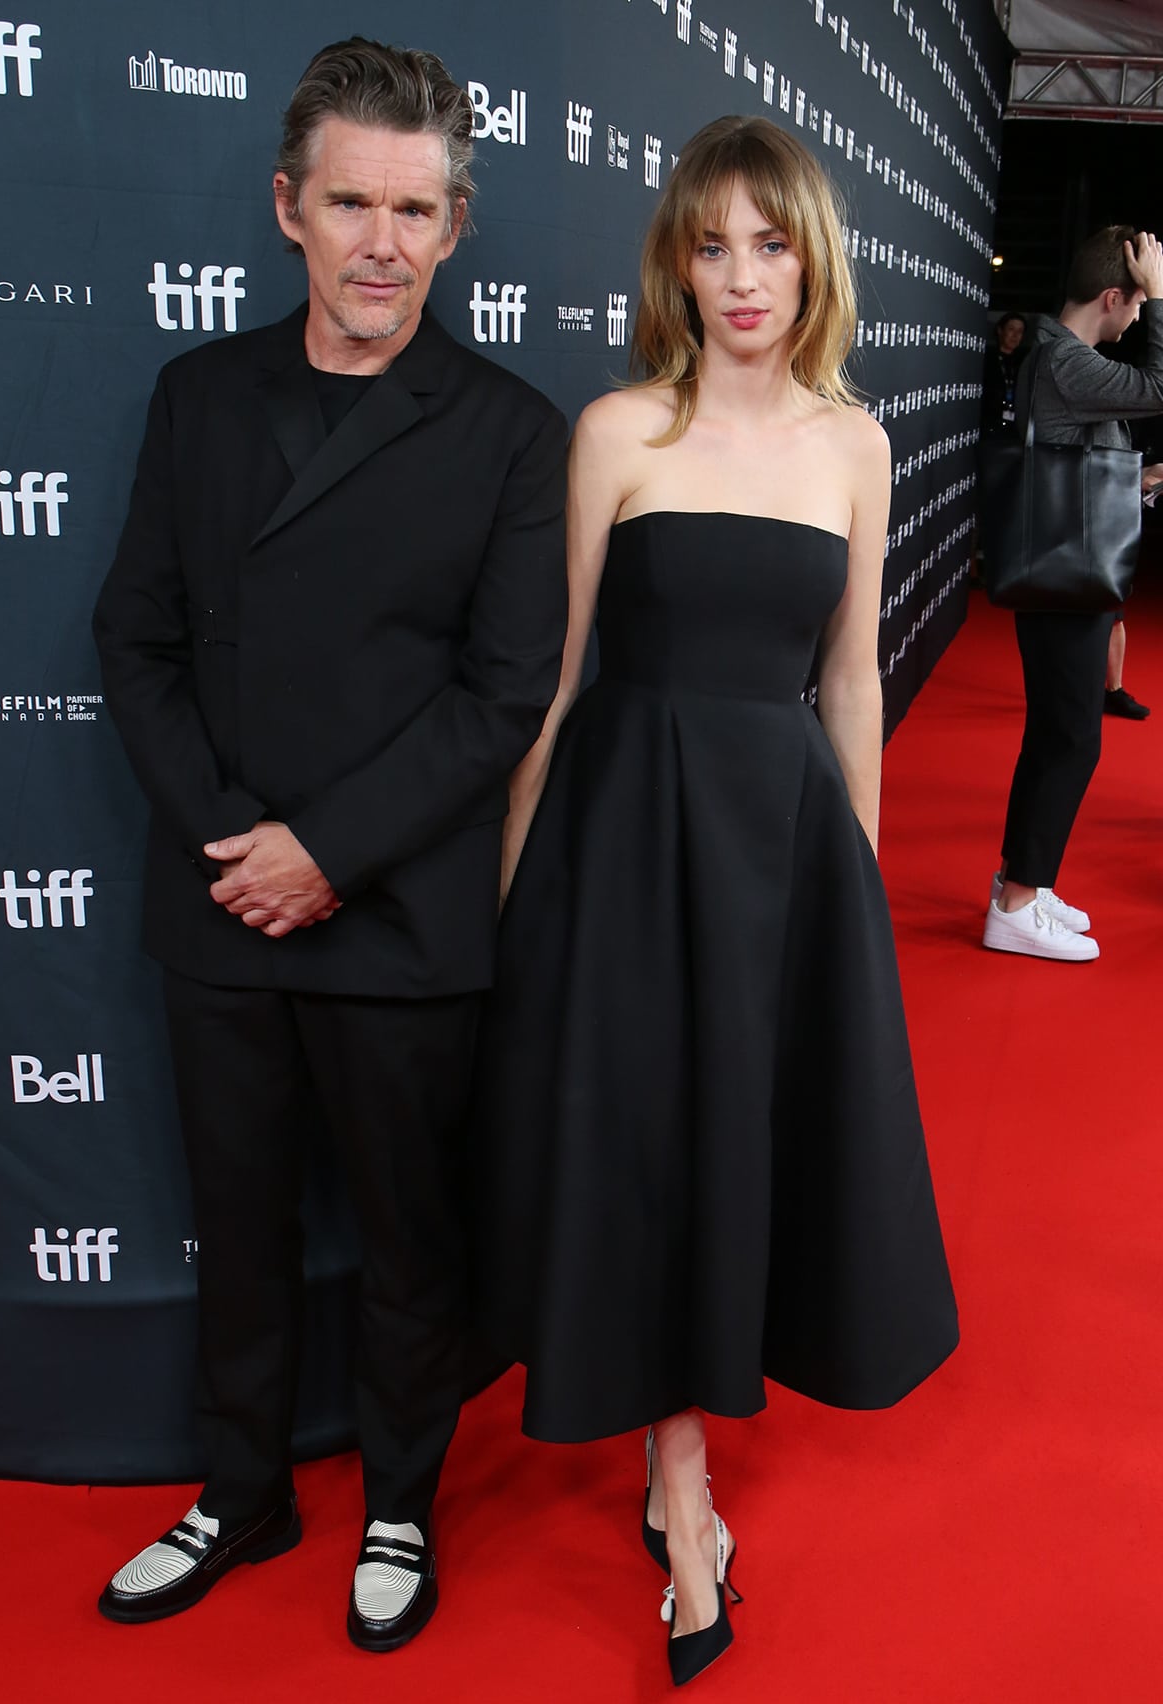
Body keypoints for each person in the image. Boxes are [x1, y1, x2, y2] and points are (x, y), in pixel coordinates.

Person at [470, 115, 958, 1688]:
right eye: (709, 242)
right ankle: (682, 1498)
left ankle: (686, 1477)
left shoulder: (855, 444)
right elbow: (554, 690)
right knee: (652, 1148)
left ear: (814, 254)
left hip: (784, 852)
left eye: (770, 241)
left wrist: (856, 903)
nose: (742, 275)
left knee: (741, 1146)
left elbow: (854, 681)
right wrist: (516, 902)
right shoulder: (619, 429)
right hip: (625, 843)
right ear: (674, 262)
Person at [92, 37, 566, 1649]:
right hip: (224, 893)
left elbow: (505, 697)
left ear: (453, 228)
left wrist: (330, 850)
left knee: (406, 1238)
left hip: (400, 908)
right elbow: (134, 642)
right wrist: (244, 843)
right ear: (287, 207)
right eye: (351, 201)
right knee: (237, 1221)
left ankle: (399, 1506)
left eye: (417, 210)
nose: (383, 242)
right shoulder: (197, 395)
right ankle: (239, 1488)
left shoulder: (511, 430)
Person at [983, 226, 1163, 962]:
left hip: (1066, 577)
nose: (1136, 320)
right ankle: (1018, 901)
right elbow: (1160, 388)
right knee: (1069, 740)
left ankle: (1023, 886)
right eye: (1138, 303)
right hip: (1065, 580)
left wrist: (1140, 479)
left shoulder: (1060, 356)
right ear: (1114, 297)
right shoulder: (1065, 357)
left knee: (1062, 735)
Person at [980, 311, 1028, 435]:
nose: (1015, 335)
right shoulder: (986, 360)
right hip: (989, 424)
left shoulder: (1024, 362)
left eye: (1020, 331)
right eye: (1011, 329)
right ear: (1000, 330)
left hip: (1016, 427)